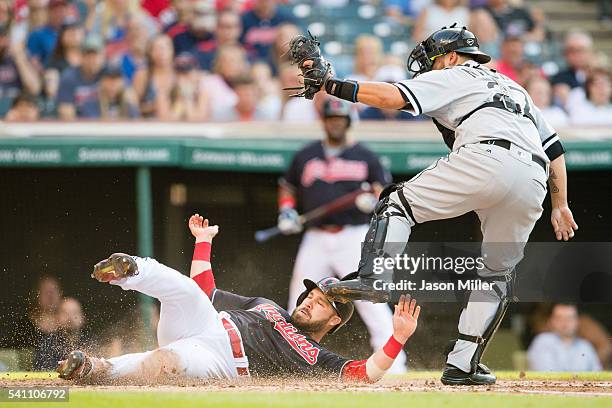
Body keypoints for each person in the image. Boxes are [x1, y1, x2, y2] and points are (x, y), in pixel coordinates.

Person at [295, 24, 578, 385]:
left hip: (486, 156)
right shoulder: (516, 88)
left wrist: (331, 85)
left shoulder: (456, 72)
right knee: (496, 274)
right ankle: (463, 365)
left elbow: (390, 98)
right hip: (534, 180)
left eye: (431, 62)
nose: (428, 69)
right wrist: (560, 204)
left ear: (450, 56)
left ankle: (376, 276)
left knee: (397, 203)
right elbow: (554, 149)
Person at [56, 214, 421, 383]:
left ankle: (96, 368)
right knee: (186, 289)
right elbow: (208, 293)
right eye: (311, 293)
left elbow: (363, 374)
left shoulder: (315, 356)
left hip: (223, 359)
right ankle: (131, 269)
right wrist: (204, 241)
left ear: (335, 319)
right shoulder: (267, 306)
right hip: (206, 324)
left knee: (166, 360)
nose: (309, 301)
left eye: (321, 302)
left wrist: (397, 338)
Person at [276, 99, 407, 373]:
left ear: (348, 121)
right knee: (298, 301)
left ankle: (394, 367)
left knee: (371, 299)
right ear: (324, 121)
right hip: (316, 236)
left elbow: (386, 192)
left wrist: (374, 202)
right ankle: (287, 360)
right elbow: (287, 188)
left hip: (353, 236)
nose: (336, 122)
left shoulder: (366, 156)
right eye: (331, 118)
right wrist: (286, 212)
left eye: (341, 118)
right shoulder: (306, 155)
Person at [527, 304, 602, 371]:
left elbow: (598, 375)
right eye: (559, 318)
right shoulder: (543, 341)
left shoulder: (585, 346)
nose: (564, 323)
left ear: (577, 321)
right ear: (551, 321)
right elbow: (547, 376)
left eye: (569, 318)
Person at [56, 34, 104, 119]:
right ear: (81, 56)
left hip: (104, 125)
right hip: (79, 127)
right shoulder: (69, 77)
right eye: (88, 55)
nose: (92, 60)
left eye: (96, 55)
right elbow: (65, 112)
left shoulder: (108, 74)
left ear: (102, 56)